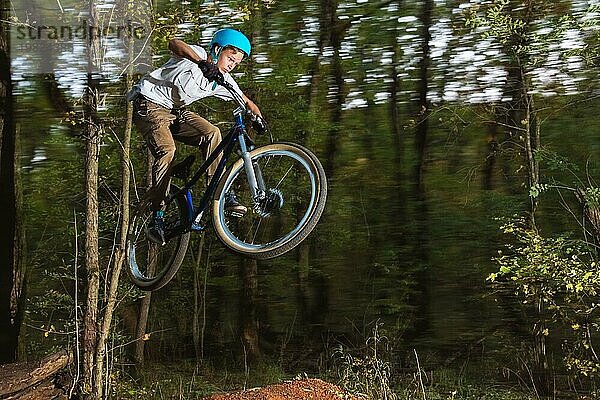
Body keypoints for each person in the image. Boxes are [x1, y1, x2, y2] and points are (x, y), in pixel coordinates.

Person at [128, 28, 262, 245]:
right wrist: (201, 63)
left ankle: (221, 193)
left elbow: (246, 101)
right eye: (230, 58)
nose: (231, 65)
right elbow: (174, 43)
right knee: (167, 150)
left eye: (236, 63)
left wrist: (258, 118)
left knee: (212, 133)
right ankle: (157, 218)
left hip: (175, 112)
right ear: (217, 50)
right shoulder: (196, 55)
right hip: (149, 105)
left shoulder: (221, 79)